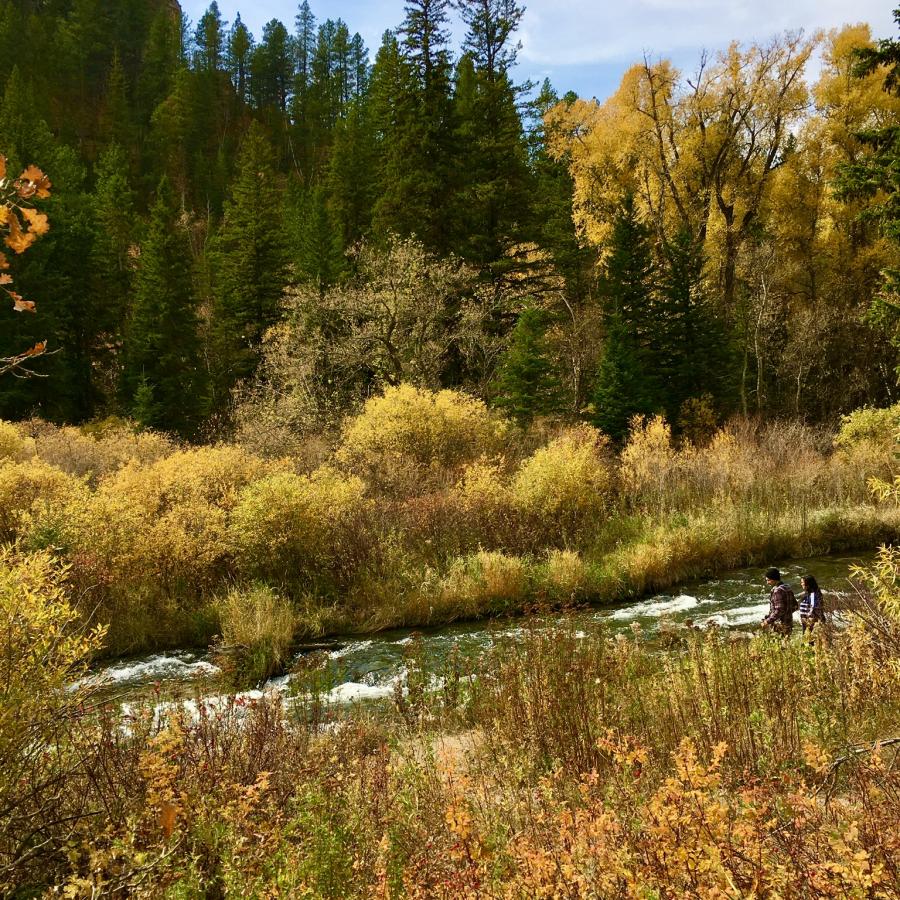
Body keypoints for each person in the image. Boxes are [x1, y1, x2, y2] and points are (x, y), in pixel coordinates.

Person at [761, 567, 796, 635]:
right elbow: (795, 606)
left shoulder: (777, 590)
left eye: (768, 580)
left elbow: (780, 610)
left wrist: (767, 621)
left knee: (780, 644)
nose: (767, 583)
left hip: (780, 625)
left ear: (774, 579)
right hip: (789, 622)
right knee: (786, 643)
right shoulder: (787, 587)